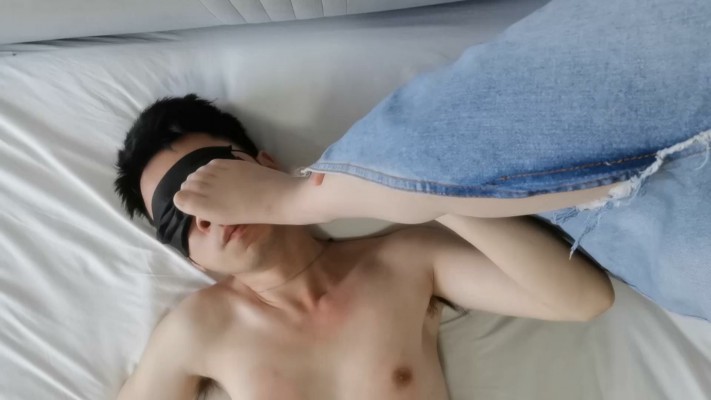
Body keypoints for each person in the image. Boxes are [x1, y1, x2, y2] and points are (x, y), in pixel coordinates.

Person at [114, 94, 615, 400]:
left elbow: (584, 299)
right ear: (190, 257)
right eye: (179, 218)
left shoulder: (404, 261)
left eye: (209, 179)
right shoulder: (198, 328)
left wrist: (412, 195)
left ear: (264, 166)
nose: (205, 214)